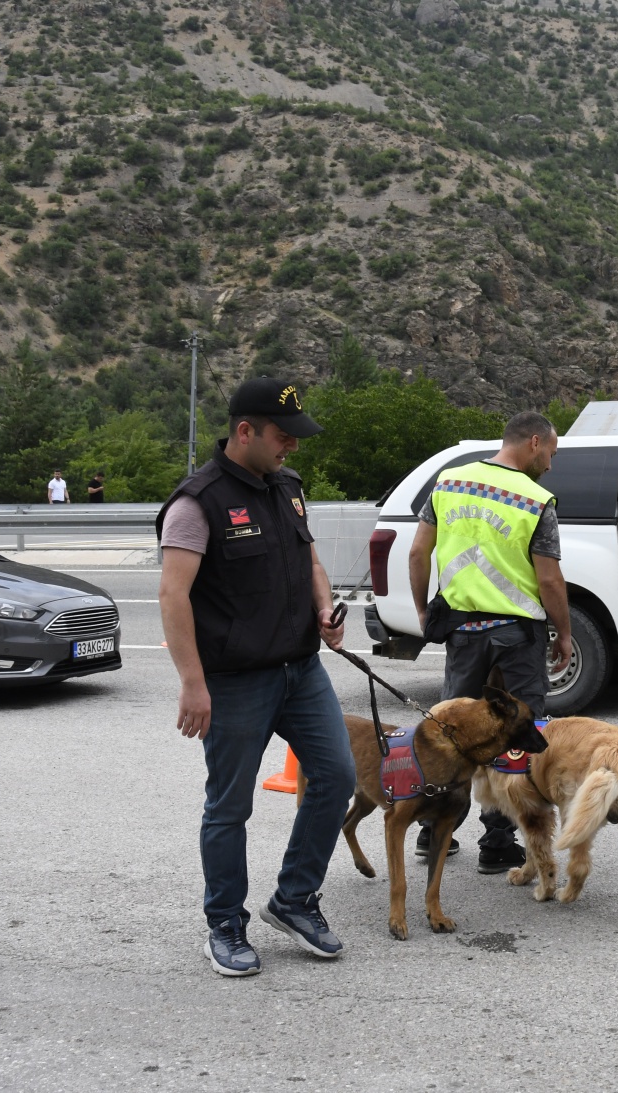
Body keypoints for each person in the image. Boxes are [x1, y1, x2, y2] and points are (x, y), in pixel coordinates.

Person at [155, 377, 357, 978]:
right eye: (282, 435)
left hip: (301, 669)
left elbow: (311, 561)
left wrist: (324, 609)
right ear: (245, 432)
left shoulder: (287, 488)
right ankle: (224, 923)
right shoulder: (198, 502)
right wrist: (193, 683)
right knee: (229, 806)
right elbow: (172, 597)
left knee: (337, 776)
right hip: (235, 680)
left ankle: (293, 899)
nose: (292, 446)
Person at [408, 411, 572, 875]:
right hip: (518, 637)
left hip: (463, 630)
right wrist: (564, 631)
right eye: (552, 454)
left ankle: (431, 830)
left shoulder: (449, 482)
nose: (551, 466)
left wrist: (423, 610)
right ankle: (499, 841)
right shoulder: (537, 499)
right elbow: (549, 578)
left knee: (452, 731)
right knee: (518, 730)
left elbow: (418, 552)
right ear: (535, 443)